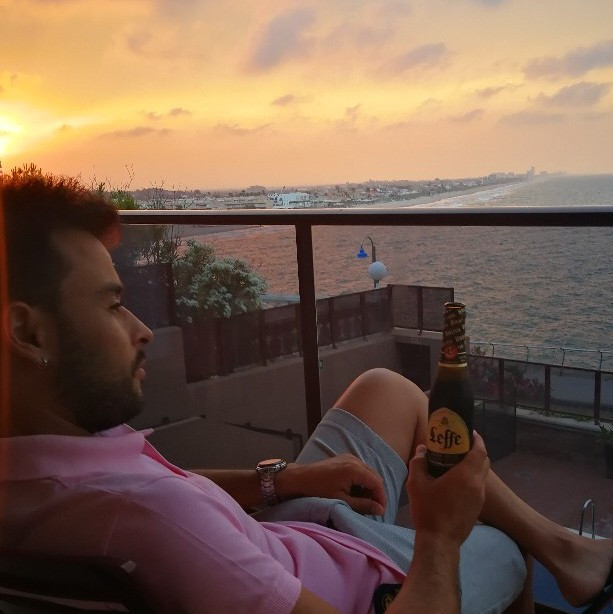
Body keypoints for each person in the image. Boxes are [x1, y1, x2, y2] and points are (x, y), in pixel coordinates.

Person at [0, 167, 611, 614]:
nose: (143, 330)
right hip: (362, 589)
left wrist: (284, 481)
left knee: (386, 387)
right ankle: (552, 552)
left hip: (282, 533)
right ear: (27, 332)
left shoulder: (43, 463)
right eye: (112, 306)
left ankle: (565, 548)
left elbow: (176, 492)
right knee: (502, 546)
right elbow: (170, 517)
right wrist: (439, 537)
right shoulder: (154, 521)